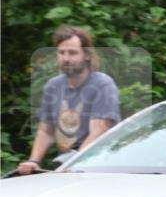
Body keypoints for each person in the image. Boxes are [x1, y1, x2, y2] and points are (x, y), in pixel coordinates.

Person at [16, 26, 120, 175]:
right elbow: (46, 130)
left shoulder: (102, 84)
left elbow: (99, 130)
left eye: (72, 53)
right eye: (61, 53)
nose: (66, 58)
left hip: (101, 165)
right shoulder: (53, 86)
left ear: (87, 55)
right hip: (68, 164)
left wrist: (75, 163)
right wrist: (33, 161)